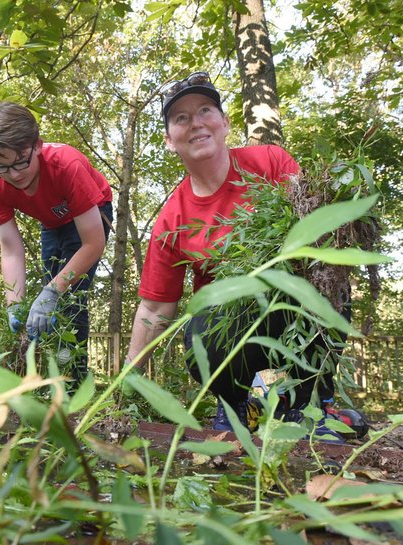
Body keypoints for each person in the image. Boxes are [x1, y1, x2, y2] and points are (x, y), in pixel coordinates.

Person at [124, 72, 362, 440]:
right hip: (233, 333)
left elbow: (317, 238)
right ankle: (241, 403)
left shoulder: (271, 164)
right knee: (201, 332)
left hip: (291, 313)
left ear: (225, 123)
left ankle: (306, 403)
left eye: (205, 110)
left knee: (328, 282)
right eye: (181, 118)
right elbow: (154, 310)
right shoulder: (173, 219)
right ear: (170, 140)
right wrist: (127, 383)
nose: (196, 122)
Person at [0, 102, 113, 382]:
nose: (14, 175)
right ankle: (43, 375)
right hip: (52, 221)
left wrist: (53, 293)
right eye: (2, 166)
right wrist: (14, 302)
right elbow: (11, 250)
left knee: (67, 298)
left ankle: (74, 381)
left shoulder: (67, 166)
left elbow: (93, 244)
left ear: (36, 146)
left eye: (21, 162)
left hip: (92, 212)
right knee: (44, 299)